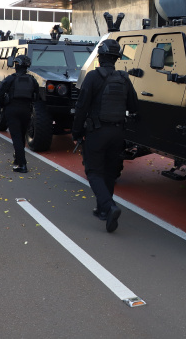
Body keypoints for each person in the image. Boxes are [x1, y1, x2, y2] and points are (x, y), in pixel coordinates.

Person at [72, 39, 138, 233]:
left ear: (100, 58)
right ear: (116, 59)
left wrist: (76, 132)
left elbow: (81, 107)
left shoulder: (93, 77)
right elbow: (134, 107)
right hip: (118, 133)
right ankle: (103, 210)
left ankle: (109, 207)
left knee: (93, 171)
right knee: (109, 172)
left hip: (97, 132)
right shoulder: (124, 78)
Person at [0, 54, 39, 173]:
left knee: (16, 137)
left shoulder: (10, 78)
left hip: (12, 109)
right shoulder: (32, 80)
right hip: (26, 110)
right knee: (21, 136)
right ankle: (18, 159)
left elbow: (0, 94)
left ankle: (22, 164)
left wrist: (3, 106)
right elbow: (36, 96)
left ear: (17, 65)